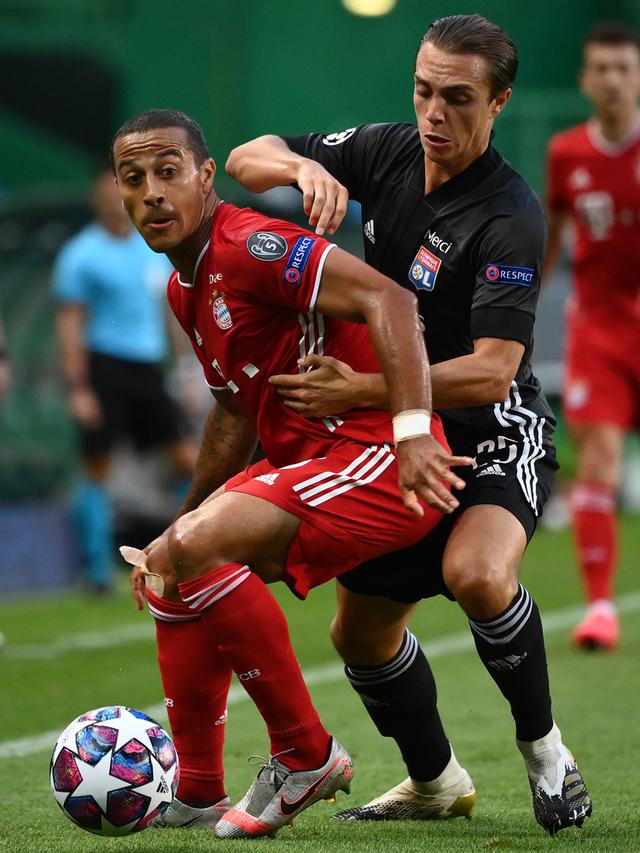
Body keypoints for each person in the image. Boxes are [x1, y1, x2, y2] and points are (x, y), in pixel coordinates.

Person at [226, 13, 591, 837]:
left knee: (478, 574)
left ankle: (547, 754)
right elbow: (249, 156)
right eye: (423, 90)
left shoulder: (511, 215)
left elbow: (496, 366)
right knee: (358, 634)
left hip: (492, 433)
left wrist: (360, 386)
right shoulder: (390, 149)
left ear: (498, 102)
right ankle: (436, 781)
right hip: (393, 436)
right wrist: (296, 168)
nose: (434, 113)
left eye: (457, 98)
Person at [111, 108, 470, 839]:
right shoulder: (186, 289)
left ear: (207, 179)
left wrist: (407, 431)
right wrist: (177, 526)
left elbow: (390, 299)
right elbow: (235, 417)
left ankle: (306, 754)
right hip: (315, 463)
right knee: (172, 571)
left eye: (168, 172)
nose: (151, 192)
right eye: (133, 178)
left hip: (375, 455)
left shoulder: (249, 245)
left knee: (197, 552)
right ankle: (202, 785)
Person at [53, 167, 197, 593]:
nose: (116, 201)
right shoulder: (80, 255)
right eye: (107, 193)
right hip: (104, 368)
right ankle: (96, 572)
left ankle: (189, 551)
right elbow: (70, 324)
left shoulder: (151, 249)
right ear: (96, 200)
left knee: (185, 459)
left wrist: (187, 368)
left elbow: (169, 312)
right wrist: (78, 387)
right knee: (98, 468)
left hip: (149, 370)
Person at [544, 22, 640, 651]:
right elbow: (550, 234)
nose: (611, 79)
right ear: (584, 79)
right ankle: (600, 606)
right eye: (600, 68)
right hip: (599, 331)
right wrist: (518, 308)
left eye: (623, 68)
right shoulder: (566, 153)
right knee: (599, 461)